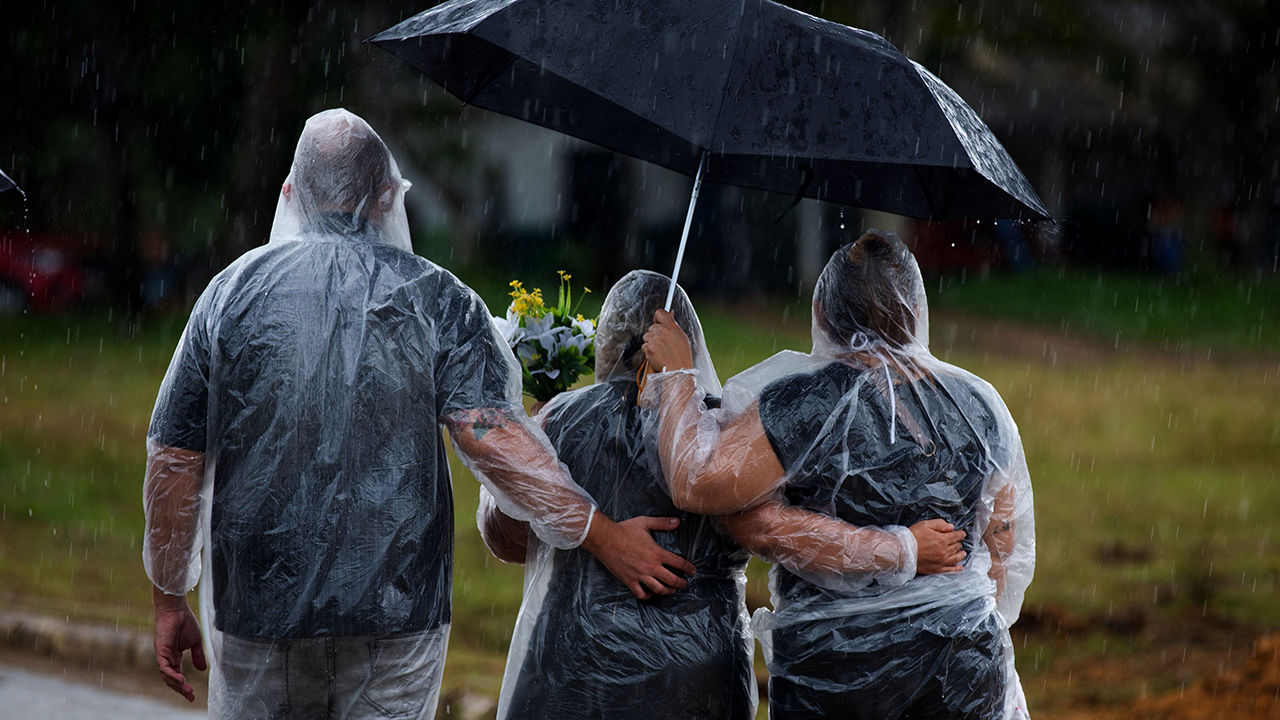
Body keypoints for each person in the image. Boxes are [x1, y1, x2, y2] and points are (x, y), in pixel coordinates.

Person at [141, 108, 693, 720]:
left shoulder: (230, 296)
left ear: (290, 193)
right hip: (396, 612)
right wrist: (604, 534)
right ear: (385, 198)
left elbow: (174, 460)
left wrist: (170, 597)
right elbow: (492, 437)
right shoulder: (438, 299)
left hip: (259, 608)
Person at [479, 270, 970, 719]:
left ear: (606, 341)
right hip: (697, 678)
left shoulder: (558, 422)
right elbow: (764, 529)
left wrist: (546, 461)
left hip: (567, 673)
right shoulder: (725, 434)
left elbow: (506, 539)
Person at [642, 230, 1035, 720]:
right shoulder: (979, 404)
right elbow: (999, 546)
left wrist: (677, 374)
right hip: (964, 668)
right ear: (915, 314)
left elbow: (699, 483)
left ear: (822, 315)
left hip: (835, 671)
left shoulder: (805, 403)